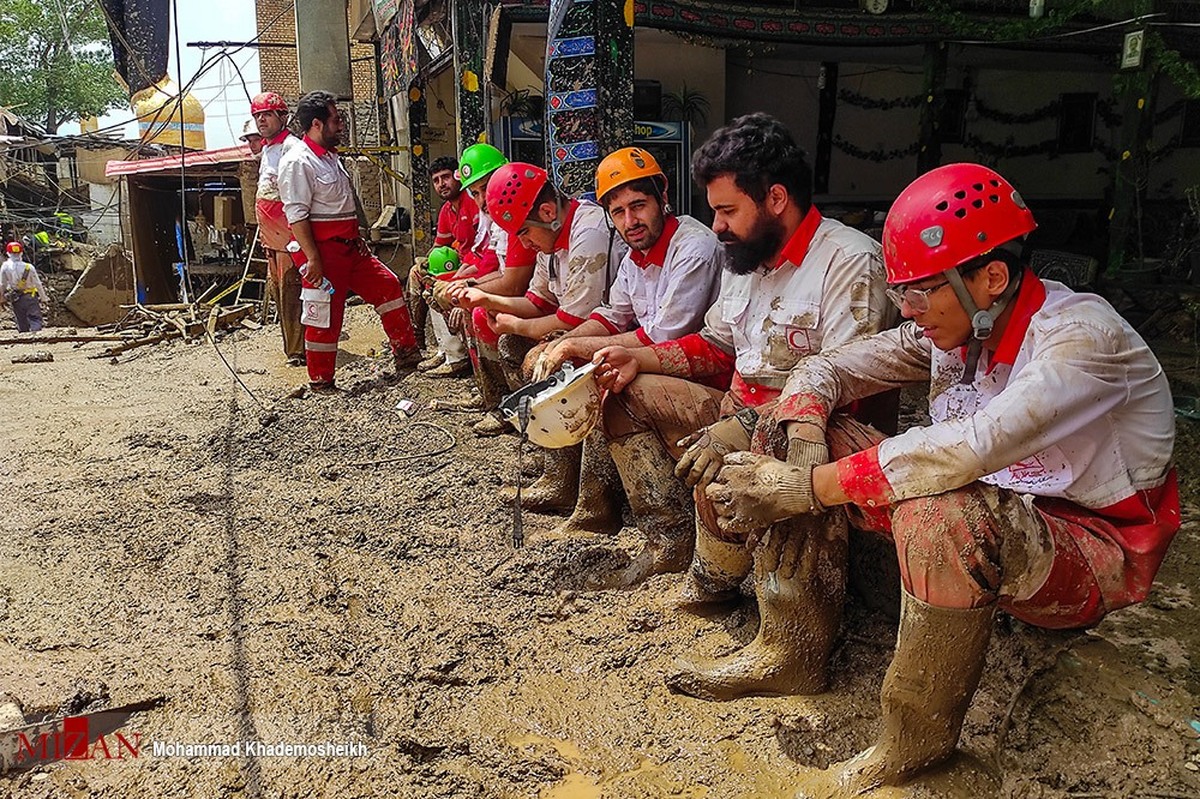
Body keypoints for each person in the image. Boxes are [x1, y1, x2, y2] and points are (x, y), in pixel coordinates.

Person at [702, 163, 1179, 790]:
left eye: (921, 292)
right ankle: (791, 648)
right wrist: (807, 427)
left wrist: (805, 489)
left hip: (1088, 545)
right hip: (997, 501)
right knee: (782, 430)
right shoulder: (960, 328)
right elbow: (830, 367)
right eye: (904, 293)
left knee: (940, 513)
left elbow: (967, 448)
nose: (909, 311)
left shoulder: (1080, 342)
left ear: (992, 277)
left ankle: (914, 740)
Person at [591, 113, 894, 623]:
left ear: (776, 199)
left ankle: (788, 617)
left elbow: (849, 393)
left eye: (728, 210)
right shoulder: (746, 255)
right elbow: (716, 345)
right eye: (714, 212)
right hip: (736, 405)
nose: (717, 227)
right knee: (621, 390)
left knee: (750, 462)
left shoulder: (850, 263)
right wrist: (635, 358)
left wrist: (743, 428)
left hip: (811, 431)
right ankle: (682, 550)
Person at [530, 146, 725, 536]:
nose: (630, 220)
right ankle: (589, 503)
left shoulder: (694, 248)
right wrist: (562, 343)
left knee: (611, 385)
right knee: (569, 361)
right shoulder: (639, 253)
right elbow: (610, 313)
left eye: (639, 206)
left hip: (707, 374)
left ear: (663, 198)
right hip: (668, 363)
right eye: (618, 212)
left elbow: (660, 336)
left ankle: (662, 529)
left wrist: (575, 347)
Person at [455, 161, 627, 507]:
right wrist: (488, 300)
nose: (525, 243)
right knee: (512, 345)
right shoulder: (553, 238)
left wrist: (514, 323)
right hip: (590, 325)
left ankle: (566, 482)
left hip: (610, 331)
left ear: (548, 211)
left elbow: (572, 318)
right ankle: (550, 446)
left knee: (537, 358)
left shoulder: (588, 233)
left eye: (524, 233)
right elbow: (538, 299)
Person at [277, 90, 420, 391]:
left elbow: (341, 206)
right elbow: (296, 216)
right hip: (324, 253)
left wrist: (359, 238)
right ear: (317, 124)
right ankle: (321, 382)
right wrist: (313, 258)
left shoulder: (330, 158)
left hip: (351, 248)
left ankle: (406, 354)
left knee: (388, 285)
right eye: (336, 120)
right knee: (324, 317)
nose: (341, 125)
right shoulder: (297, 162)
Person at [442, 144, 538, 436]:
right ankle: (493, 397)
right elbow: (492, 266)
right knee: (470, 305)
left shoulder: (514, 216)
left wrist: (471, 290)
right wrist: (467, 286)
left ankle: (508, 407)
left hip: (540, 299)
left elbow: (514, 282)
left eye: (486, 188)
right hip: (539, 296)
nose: (483, 200)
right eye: (475, 193)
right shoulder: (495, 219)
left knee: (483, 314)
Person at [406, 156, 479, 377]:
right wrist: (425, 267)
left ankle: (456, 356)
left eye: (446, 177)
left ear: (458, 176)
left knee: (439, 284)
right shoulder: (447, 210)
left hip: (477, 265)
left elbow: (483, 250)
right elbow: (438, 247)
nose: (441, 184)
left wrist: (449, 276)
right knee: (419, 273)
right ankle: (425, 341)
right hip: (460, 264)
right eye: (436, 180)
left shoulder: (473, 202)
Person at [249, 91, 305, 366]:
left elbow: (295, 194)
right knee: (279, 292)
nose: (261, 120)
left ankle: (300, 350)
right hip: (272, 236)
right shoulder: (267, 149)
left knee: (291, 290)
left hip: (289, 236)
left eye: (267, 114)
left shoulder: (291, 147)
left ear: (282, 117)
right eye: (258, 115)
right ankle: (293, 348)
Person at [0, 242, 45, 332]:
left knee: (21, 319)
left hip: (16, 297)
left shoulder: (5, 267)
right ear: (21, 253)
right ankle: (36, 337)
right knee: (35, 318)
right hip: (30, 296)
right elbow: (38, 284)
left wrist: (1, 297)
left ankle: (24, 338)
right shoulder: (29, 267)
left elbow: (2, 284)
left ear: (8, 253)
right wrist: (44, 298)